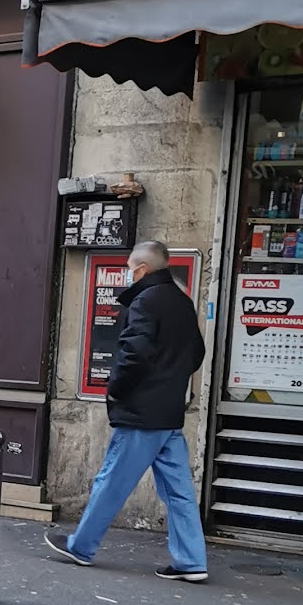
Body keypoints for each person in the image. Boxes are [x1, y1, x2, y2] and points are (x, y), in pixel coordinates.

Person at [47, 240, 209, 581]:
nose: (127, 274)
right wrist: (171, 380)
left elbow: (134, 354)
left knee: (112, 481)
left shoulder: (145, 300)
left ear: (142, 269)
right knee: (179, 492)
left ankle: (81, 546)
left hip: (141, 412)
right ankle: (192, 560)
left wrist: (116, 390)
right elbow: (196, 353)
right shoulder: (181, 300)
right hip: (169, 414)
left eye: (129, 268)